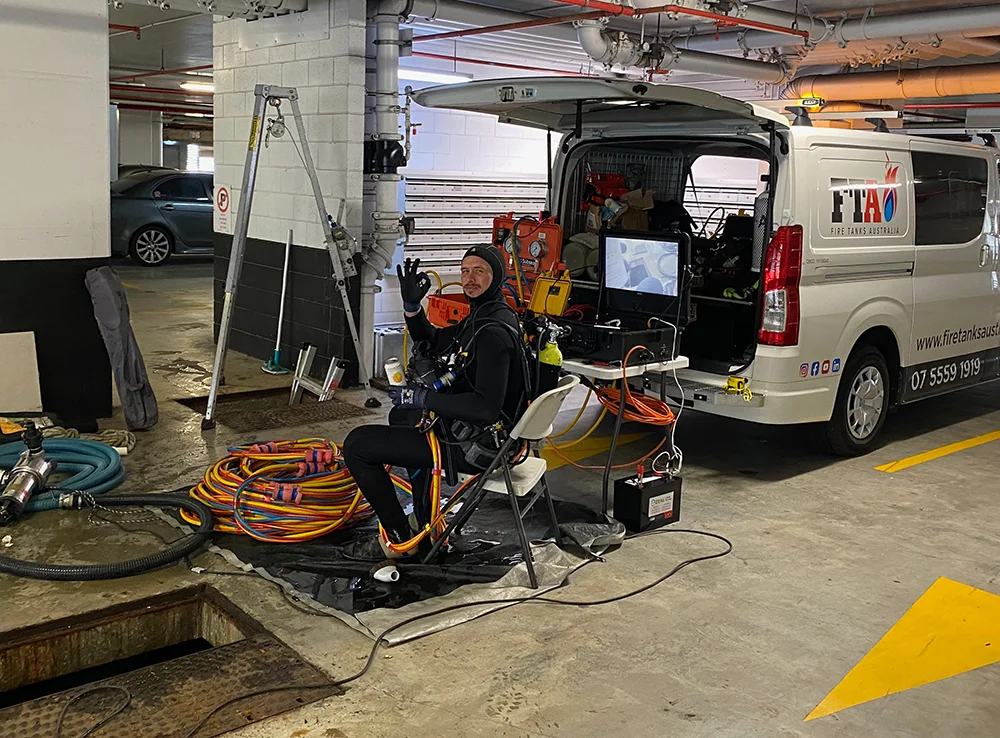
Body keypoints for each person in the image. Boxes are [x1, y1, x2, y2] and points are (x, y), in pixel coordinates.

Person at [342, 246, 526, 557]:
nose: (469, 279)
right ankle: (426, 517)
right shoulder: (485, 315)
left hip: (477, 447)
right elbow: (434, 340)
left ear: (496, 278)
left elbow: (485, 408)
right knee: (401, 417)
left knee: (357, 445)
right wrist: (413, 307)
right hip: (477, 434)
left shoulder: (492, 332)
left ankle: (401, 539)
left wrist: (424, 397)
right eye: (465, 271)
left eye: (479, 271)